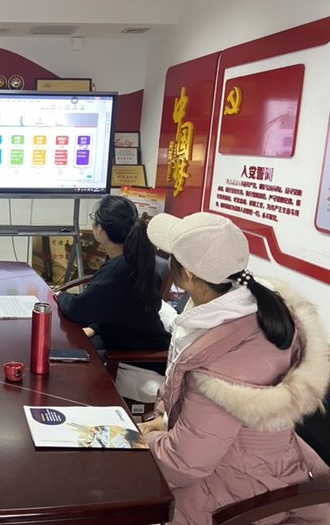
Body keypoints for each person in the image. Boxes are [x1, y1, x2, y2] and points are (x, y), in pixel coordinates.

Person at [138, 212, 330, 524]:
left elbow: (185, 462)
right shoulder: (254, 307)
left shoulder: (219, 363)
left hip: (239, 490)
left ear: (188, 273)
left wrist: (141, 443)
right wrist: (165, 420)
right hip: (269, 466)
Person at [54, 196, 170, 360]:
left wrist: (61, 296)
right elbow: (114, 306)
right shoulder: (135, 259)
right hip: (138, 344)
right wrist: (95, 327)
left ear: (100, 229)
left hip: (137, 357)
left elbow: (76, 310)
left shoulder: (119, 270)